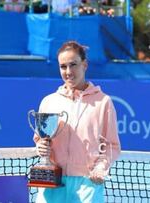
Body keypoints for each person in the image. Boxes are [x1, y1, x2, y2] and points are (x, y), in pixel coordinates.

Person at [34, 41, 121, 203]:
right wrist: (41, 147)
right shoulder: (48, 101)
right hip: (51, 183)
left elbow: (111, 145)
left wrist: (101, 168)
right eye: (63, 66)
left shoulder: (104, 102)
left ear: (85, 65)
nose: (68, 72)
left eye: (73, 65)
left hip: (87, 184)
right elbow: (40, 139)